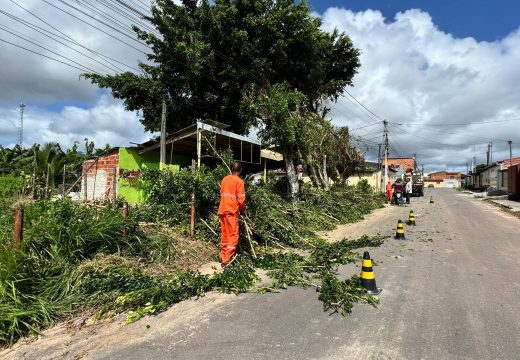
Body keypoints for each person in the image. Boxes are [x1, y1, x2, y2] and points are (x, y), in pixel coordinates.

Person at [218, 162, 246, 267]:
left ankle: (223, 255)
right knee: (233, 235)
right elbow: (241, 200)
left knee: (225, 234)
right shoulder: (239, 182)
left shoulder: (225, 179)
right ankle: (226, 259)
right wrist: (243, 210)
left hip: (222, 210)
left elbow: (221, 193)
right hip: (231, 212)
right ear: (241, 170)